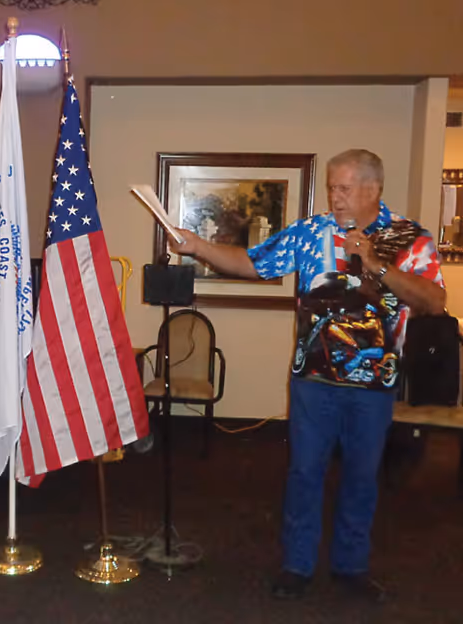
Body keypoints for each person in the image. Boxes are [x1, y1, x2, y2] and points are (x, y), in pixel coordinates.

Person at [170, 149, 445, 602]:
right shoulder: (312, 232)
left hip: (373, 386)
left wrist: (376, 264)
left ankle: (351, 568)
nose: (334, 198)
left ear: (373, 189)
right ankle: (297, 565)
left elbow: (434, 301)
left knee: (361, 476)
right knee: (303, 473)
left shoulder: (410, 237)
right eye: (331, 188)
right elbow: (252, 262)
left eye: (344, 188)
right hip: (312, 382)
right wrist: (197, 247)